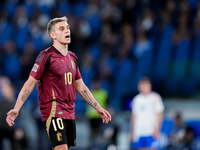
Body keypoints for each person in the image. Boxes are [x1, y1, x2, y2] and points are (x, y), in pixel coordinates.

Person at [6, 16, 112, 150]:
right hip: (54, 110)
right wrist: (17, 108)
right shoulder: (45, 56)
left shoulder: (73, 57)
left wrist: (97, 107)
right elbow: (30, 82)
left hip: (69, 110)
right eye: (61, 28)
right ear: (53, 35)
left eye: (67, 28)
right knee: (61, 148)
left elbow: (80, 86)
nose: (67, 31)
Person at [130, 77, 164, 150]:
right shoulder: (137, 99)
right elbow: (134, 116)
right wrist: (132, 131)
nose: (143, 87)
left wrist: (157, 129)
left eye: (145, 85)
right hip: (139, 131)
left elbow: (159, 114)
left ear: (150, 86)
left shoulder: (155, 97)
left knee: (152, 148)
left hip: (151, 130)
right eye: (141, 85)